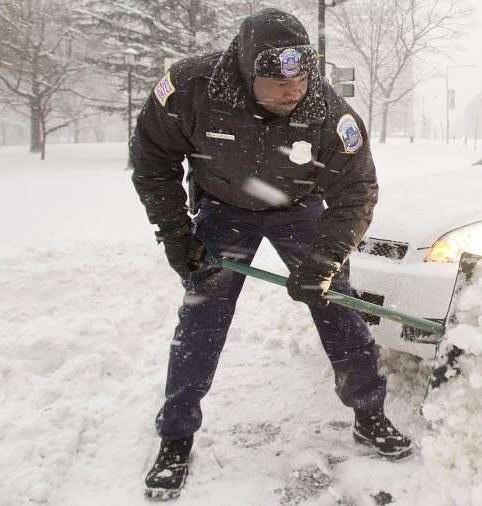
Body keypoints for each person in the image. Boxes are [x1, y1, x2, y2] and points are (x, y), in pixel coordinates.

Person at [130, 8, 412, 501]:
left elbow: (356, 192)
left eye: (302, 79)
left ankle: (369, 414)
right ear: (245, 71)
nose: (294, 92)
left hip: (298, 209)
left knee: (337, 307)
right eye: (278, 83)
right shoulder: (189, 87)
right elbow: (151, 158)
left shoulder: (329, 113)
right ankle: (176, 434)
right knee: (203, 317)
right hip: (223, 210)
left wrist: (324, 261)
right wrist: (176, 232)